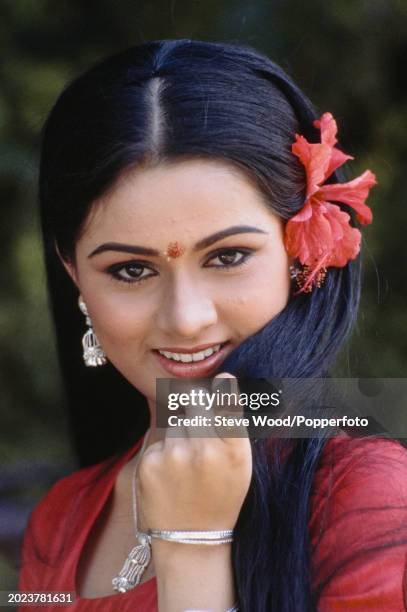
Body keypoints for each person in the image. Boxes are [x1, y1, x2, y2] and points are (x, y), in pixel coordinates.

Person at [18, 39, 407, 611]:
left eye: (227, 257)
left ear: (301, 246)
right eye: (130, 269)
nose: (186, 318)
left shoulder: (368, 500)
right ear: (72, 271)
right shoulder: (63, 517)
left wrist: (194, 552)